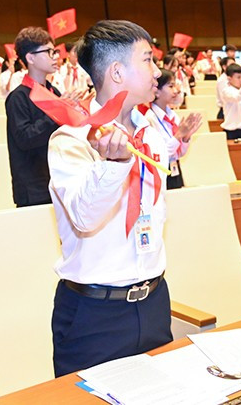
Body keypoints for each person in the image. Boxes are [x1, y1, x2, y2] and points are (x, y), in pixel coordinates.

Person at [48, 20, 171, 376]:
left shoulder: (152, 131)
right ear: (117, 72)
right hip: (95, 313)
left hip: (153, 301)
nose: (157, 71)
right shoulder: (71, 139)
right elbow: (85, 218)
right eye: (147, 60)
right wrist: (113, 165)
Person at [5, 27, 63, 207]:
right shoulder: (18, 97)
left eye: (55, 51)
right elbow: (25, 138)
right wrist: (57, 112)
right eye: (49, 52)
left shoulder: (54, 92)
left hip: (58, 178)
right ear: (30, 58)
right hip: (33, 187)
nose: (55, 57)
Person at [142, 70, 202, 189]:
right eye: (170, 86)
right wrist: (179, 135)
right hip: (160, 173)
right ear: (156, 92)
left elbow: (180, 153)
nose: (176, 90)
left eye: (175, 85)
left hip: (175, 168)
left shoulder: (173, 115)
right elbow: (159, 155)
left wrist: (186, 138)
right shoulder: (149, 119)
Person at [219, 63, 241, 140]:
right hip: (232, 131)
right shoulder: (226, 91)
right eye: (238, 77)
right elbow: (237, 97)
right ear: (229, 79)